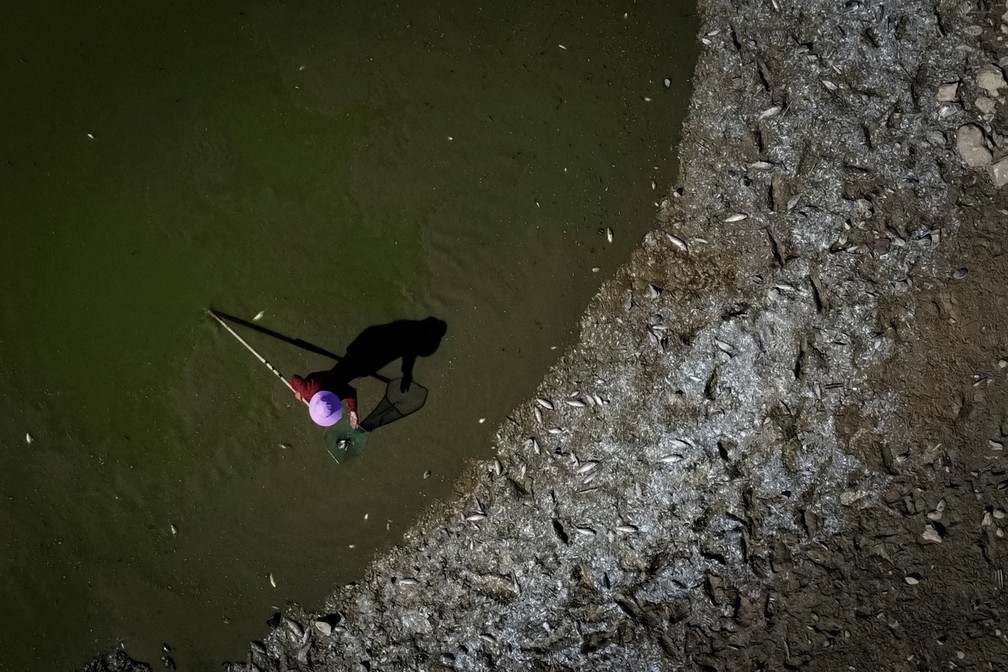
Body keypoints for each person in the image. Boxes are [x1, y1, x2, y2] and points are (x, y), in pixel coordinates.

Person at [291, 369, 359, 429]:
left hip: (331, 377)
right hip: (322, 380)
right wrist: (299, 390)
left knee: (338, 375)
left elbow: (350, 392)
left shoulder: (338, 390)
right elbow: (294, 378)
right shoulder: (305, 389)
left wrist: (353, 411)